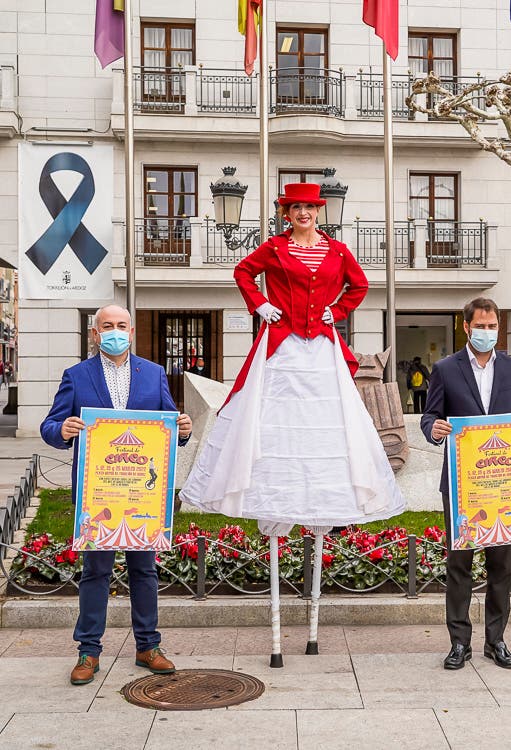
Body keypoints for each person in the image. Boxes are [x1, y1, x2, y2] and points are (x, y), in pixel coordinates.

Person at [182, 182, 406, 532]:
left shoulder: (339, 252)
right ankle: (273, 496)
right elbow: (243, 272)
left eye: (310, 207)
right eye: (295, 208)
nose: (303, 213)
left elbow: (359, 285)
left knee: (324, 419)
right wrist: (261, 304)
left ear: (319, 212)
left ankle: (322, 501)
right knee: (274, 414)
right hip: (282, 343)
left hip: (321, 346)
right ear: (286, 214)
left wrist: (340, 309)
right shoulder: (273, 248)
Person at [39, 304, 193, 686]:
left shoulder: (154, 373)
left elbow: (169, 423)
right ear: (95, 333)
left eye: (121, 325)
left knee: (144, 570)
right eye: (106, 326)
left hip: (142, 494)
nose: (114, 331)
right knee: (96, 571)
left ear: (132, 331)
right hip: (99, 492)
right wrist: (65, 429)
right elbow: (49, 425)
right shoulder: (76, 375)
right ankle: (88, 651)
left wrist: (184, 428)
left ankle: (148, 647)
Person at [420, 297, 511, 671]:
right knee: (459, 565)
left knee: (501, 567)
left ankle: (496, 641)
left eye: (493, 327)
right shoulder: (445, 369)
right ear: (466, 327)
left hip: (505, 485)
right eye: (481, 326)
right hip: (464, 485)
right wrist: (434, 428)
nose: (487, 332)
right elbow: (430, 415)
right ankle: (459, 643)